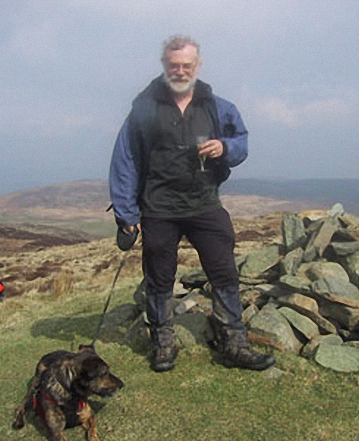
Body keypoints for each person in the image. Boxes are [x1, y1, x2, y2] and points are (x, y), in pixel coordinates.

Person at [109, 35, 275, 373]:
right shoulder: (144, 108)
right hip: (158, 207)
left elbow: (241, 142)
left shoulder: (217, 106)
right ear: (164, 66)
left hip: (205, 204)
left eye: (187, 65)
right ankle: (163, 344)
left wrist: (224, 148)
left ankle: (234, 342)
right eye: (174, 65)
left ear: (198, 66)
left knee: (225, 273)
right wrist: (126, 213)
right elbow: (125, 159)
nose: (180, 71)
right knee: (158, 278)